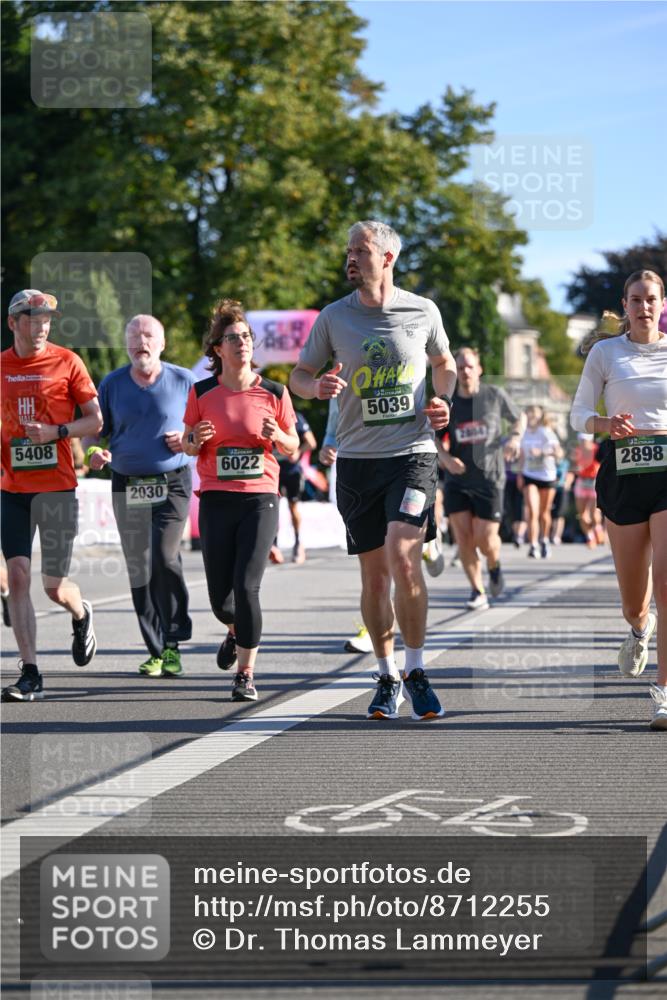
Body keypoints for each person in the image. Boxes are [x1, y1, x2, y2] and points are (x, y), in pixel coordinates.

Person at [290, 220, 456, 721]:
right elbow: (299, 375)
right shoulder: (333, 318)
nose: (352, 258)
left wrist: (443, 398)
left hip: (413, 453)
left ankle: (417, 669)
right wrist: (313, 388)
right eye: (349, 250)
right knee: (374, 576)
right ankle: (385, 675)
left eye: (361, 250)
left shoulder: (422, 310)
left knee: (404, 557)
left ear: (387, 258)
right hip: (358, 462)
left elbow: (443, 362)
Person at [182, 299, 298, 702]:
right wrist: (195, 439)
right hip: (217, 498)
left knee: (248, 588)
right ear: (217, 348)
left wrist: (278, 436)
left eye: (246, 336)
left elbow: (294, 447)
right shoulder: (202, 393)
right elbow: (187, 442)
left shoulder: (274, 392)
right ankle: (233, 630)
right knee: (222, 600)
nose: (241, 343)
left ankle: (246, 675)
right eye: (232, 338)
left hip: (259, 498)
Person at [570, 270, 667, 731]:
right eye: (635, 300)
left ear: (661, 303)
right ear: (624, 306)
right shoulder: (606, 352)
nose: (643, 307)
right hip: (624, 475)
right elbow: (578, 414)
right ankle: (636, 628)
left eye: (651, 299)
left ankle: (664, 695)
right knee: (636, 599)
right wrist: (606, 426)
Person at [1, 289, 101, 702]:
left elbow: (96, 419)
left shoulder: (67, 361)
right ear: (13, 322)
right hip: (11, 490)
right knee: (19, 576)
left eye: (46, 318)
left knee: (53, 587)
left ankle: (81, 613)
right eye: (32, 317)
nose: (41, 325)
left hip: (57, 487)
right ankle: (31, 671)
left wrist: (58, 432)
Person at [82, 315, 195, 678]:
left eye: (147, 336)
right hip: (127, 482)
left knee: (163, 555)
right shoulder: (113, 384)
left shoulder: (184, 380)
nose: (140, 342)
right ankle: (156, 649)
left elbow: (205, 431)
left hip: (172, 481)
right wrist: (92, 454)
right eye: (134, 337)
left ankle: (174, 638)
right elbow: (93, 433)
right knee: (139, 566)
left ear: (161, 343)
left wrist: (188, 439)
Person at [439, 346, 523, 611]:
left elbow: (518, 418)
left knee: (486, 540)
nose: (464, 371)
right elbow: (430, 433)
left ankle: (494, 565)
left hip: (490, 477)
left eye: (469, 366)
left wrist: (515, 438)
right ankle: (477, 590)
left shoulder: (494, 395)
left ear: (479, 369)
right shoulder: (447, 399)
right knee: (464, 539)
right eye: (460, 367)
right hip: (458, 479)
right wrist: (445, 458)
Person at [271, 409, 317, 565]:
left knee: (293, 506)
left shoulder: (296, 416)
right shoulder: (265, 413)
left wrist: (298, 452)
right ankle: (273, 545)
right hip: (272, 470)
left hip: (292, 471)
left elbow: (311, 442)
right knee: (272, 507)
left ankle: (298, 543)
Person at [519, 405, 563, 559]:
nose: (532, 416)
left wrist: (542, 452)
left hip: (547, 476)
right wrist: (519, 473)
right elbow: (522, 455)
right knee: (532, 510)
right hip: (529, 474)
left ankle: (544, 540)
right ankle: (533, 545)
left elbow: (559, 453)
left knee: (544, 513)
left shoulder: (546, 432)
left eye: (535, 414)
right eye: (529, 413)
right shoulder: (523, 433)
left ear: (540, 416)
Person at [572, 434, 604, 547]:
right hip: (581, 482)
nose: (582, 442)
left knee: (594, 513)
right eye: (581, 439)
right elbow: (573, 466)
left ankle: (598, 530)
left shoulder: (596, 448)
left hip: (594, 481)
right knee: (582, 515)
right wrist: (575, 469)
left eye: (584, 439)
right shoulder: (577, 451)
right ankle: (590, 537)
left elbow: (601, 462)